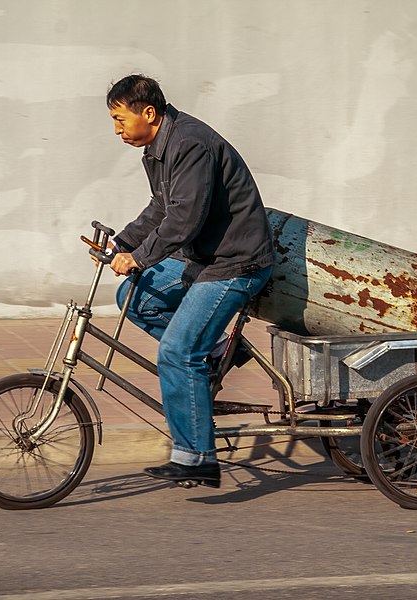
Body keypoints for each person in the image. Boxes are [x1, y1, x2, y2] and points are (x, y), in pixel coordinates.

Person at [105, 74, 274, 488]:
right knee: (134, 295)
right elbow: (161, 207)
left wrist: (139, 257)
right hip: (204, 260)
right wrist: (123, 240)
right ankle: (216, 351)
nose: (117, 129)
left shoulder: (189, 144)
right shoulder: (158, 148)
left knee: (178, 353)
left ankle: (197, 456)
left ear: (149, 113)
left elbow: (184, 220)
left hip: (235, 264)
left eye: (119, 118)